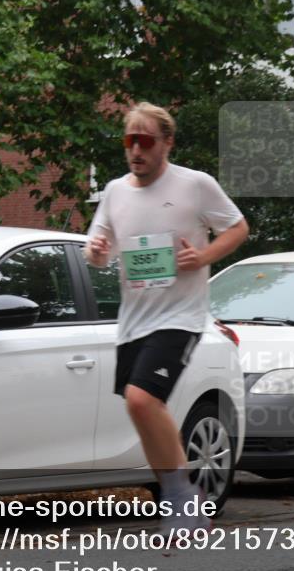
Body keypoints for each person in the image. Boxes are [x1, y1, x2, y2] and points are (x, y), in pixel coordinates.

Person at [84, 102, 249, 529]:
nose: (135, 150)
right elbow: (96, 248)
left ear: (167, 143)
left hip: (182, 316)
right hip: (134, 320)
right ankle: (179, 493)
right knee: (139, 408)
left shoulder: (195, 185)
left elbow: (237, 228)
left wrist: (204, 256)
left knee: (143, 398)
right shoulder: (116, 191)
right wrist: (96, 253)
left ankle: (180, 498)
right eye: (129, 140)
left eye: (145, 141)